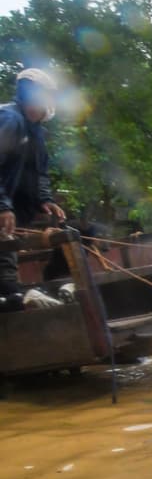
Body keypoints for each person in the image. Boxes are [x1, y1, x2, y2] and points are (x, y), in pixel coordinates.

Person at [0, 68, 66, 312]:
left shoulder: (35, 133)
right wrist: (2, 206)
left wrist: (44, 199)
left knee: (7, 262)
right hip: (3, 210)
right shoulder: (10, 119)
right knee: (6, 274)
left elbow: (38, 173)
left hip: (10, 213)